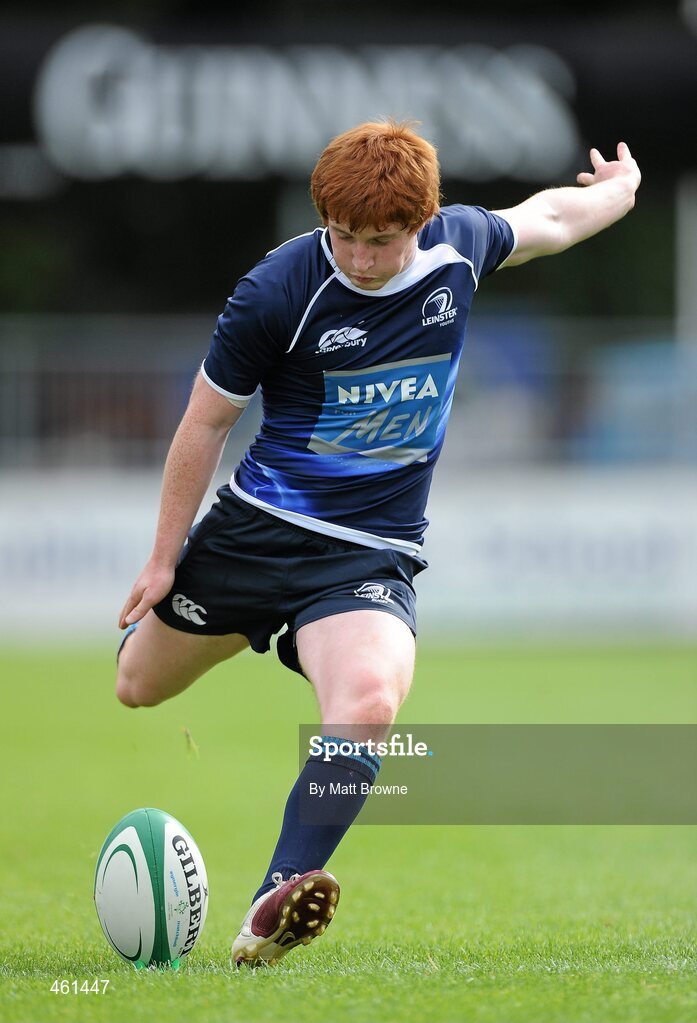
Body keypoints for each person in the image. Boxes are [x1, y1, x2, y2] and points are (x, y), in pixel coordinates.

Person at [115, 121, 641, 966]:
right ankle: (250, 630)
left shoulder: (459, 247)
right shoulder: (275, 291)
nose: (360, 257)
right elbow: (205, 422)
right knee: (136, 685)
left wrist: (621, 188)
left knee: (366, 706)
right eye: (345, 237)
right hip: (254, 535)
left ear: (422, 221)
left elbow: (553, 218)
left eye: (382, 240)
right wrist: (163, 556)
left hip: (368, 552)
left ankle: (272, 903)